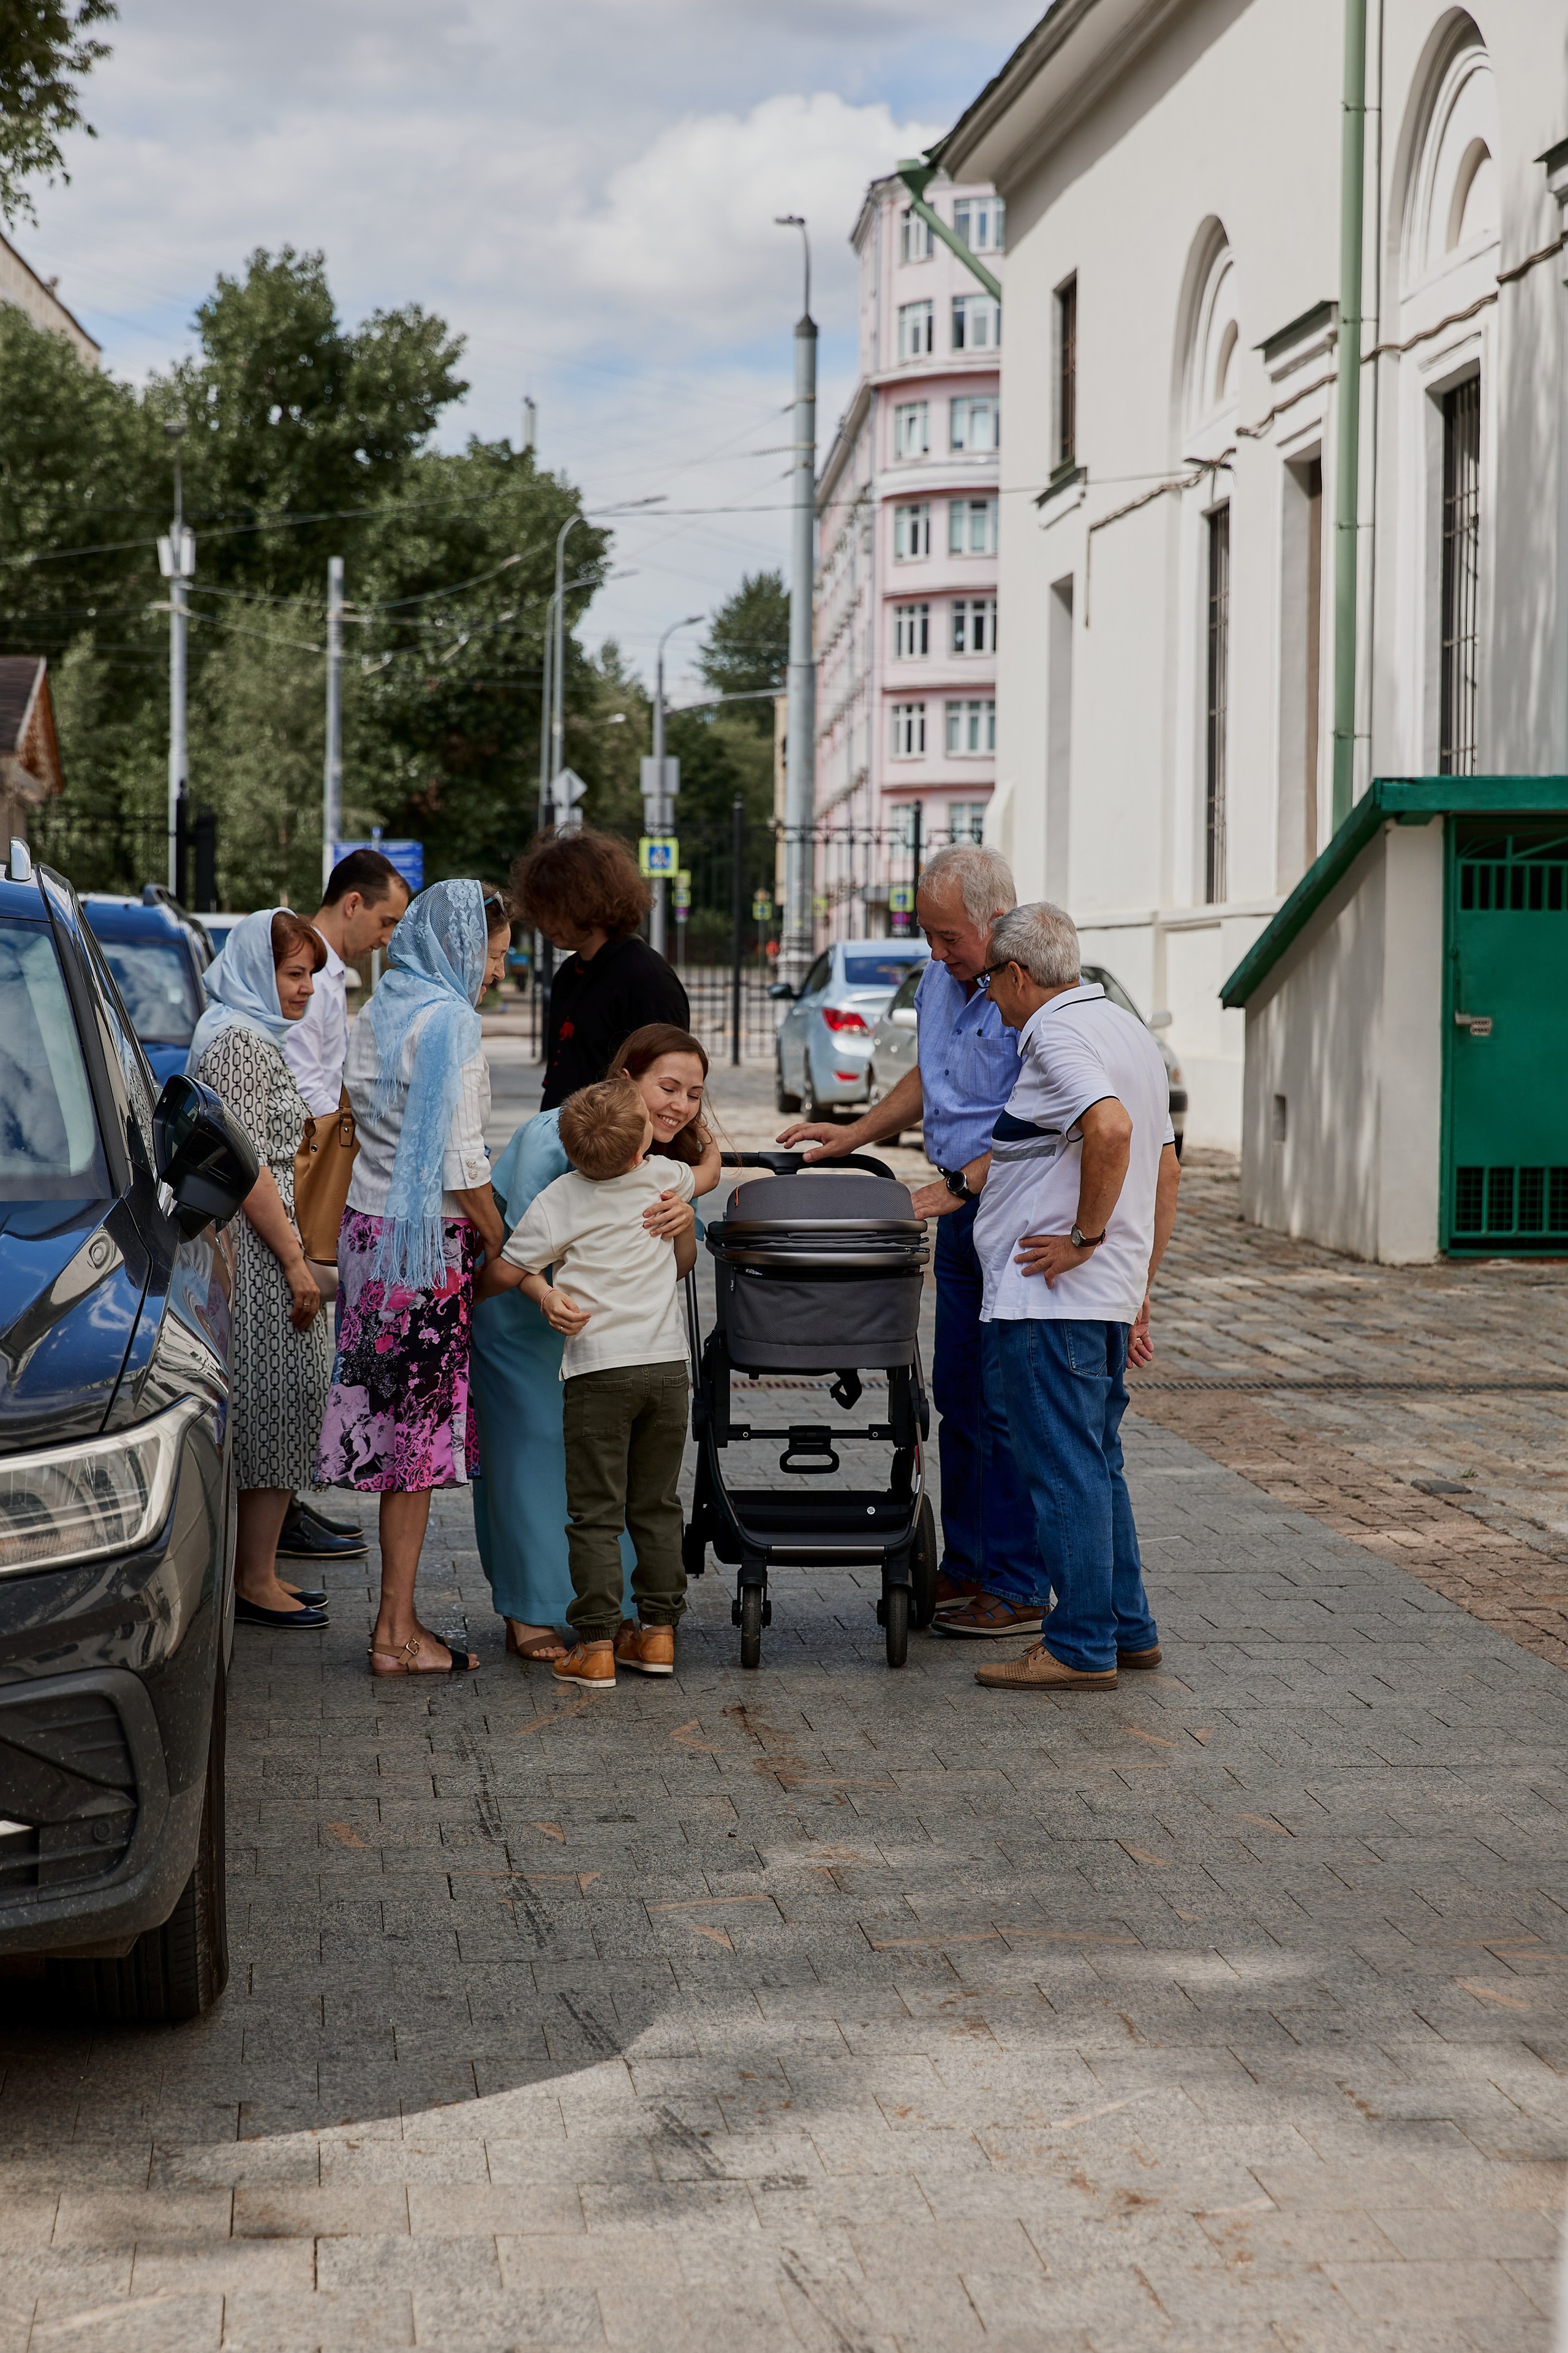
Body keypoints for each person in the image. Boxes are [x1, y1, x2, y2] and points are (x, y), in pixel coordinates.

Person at [777, 843, 1050, 1637]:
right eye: (927, 935)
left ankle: (1020, 1582)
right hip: (960, 1213)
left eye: (948, 937)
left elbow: (1046, 1119)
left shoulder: (1030, 989)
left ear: (996, 922)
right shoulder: (940, 979)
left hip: (1016, 1214)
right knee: (958, 1398)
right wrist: (853, 1134)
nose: (935, 953)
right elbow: (932, 1076)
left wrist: (964, 1185)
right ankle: (969, 1562)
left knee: (1007, 1406)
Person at [925, 901, 1181, 1693]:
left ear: (1016, 975)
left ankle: (1078, 1644)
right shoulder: (1124, 1030)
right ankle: (1127, 1629)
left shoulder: (1056, 1033)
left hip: (1051, 1297)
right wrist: (1137, 1284)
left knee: (1065, 1471)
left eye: (991, 985)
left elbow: (1110, 1131)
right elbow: (1167, 1170)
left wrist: (1082, 1238)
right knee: (1097, 1465)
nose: (990, 1002)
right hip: (1097, 1296)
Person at [469, 1024, 720, 1664]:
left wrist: (683, 1220)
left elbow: (680, 1253)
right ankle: (530, 1608)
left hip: (607, 1341)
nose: (680, 1106)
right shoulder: (554, 1137)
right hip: (524, 1320)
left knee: (614, 1483)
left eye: (694, 1094)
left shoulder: (657, 1158)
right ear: (625, 1079)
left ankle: (617, 1619)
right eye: (668, 1087)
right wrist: (540, 1297)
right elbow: (516, 1256)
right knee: (533, 1456)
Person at [315, 880, 511, 1675]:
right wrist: (501, 1239)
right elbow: (463, 1165)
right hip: (427, 1253)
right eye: (494, 955)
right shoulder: (452, 1022)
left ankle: (395, 1624)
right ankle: (395, 1630)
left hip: (370, 1240)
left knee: (399, 1442)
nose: (497, 971)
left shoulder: (378, 1010)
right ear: (459, 947)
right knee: (418, 1448)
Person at [187, 908, 334, 1630]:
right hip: (258, 1251)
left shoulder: (239, 1031)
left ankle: (259, 1570)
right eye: (294, 973)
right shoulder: (240, 1043)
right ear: (257, 969)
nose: (305, 988)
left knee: (277, 1403)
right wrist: (296, 1263)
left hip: (260, 1245)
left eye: (310, 975)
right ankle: (254, 1579)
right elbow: (249, 1169)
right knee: (277, 1403)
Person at [276, 845, 412, 1573]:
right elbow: (305, 1084)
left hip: (321, 1156)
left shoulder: (329, 974)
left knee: (305, 1345)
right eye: (385, 921)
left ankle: (284, 1502)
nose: (386, 938)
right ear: (352, 903)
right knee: (294, 1339)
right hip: (304, 1161)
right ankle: (277, 1510)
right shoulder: (313, 973)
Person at [510, 828, 690, 1109]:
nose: (543, 922)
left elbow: (667, 1085)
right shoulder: (569, 974)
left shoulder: (646, 978)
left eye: (553, 908)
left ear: (585, 901)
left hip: (614, 1134)